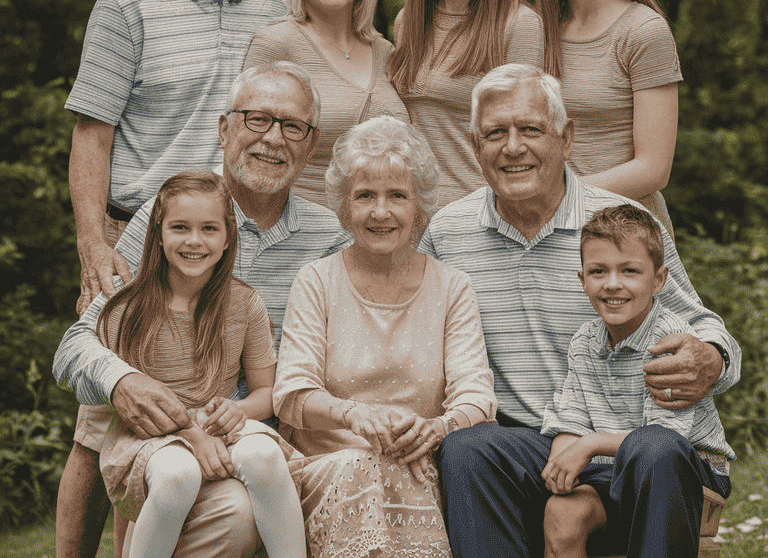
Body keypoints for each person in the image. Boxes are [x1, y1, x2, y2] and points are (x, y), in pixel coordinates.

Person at [60, 0, 286, 558]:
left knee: (195, 412)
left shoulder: (275, 8)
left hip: (226, 237)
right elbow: (92, 134)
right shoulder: (128, 1)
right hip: (138, 235)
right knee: (101, 421)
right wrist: (94, 246)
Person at [419, 63, 740, 557]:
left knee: (653, 445)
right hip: (538, 441)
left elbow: (702, 325)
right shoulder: (447, 233)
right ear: (474, 145)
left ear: (566, 138)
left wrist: (712, 356)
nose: (512, 147)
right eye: (495, 133)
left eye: (530, 129)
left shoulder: (623, 227)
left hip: (644, 445)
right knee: (468, 447)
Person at [54, 63, 352, 557]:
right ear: (223, 128)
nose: (273, 138)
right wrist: (122, 380)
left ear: (311, 143)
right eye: (256, 119)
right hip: (155, 425)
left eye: (292, 126)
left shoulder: (328, 238)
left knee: (238, 507)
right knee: (115, 421)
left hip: (252, 426)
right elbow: (80, 341)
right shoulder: (166, 212)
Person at [273, 115, 497, 557]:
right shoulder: (316, 280)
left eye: (397, 195)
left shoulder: (453, 286)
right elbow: (292, 394)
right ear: (343, 206)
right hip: (329, 469)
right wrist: (351, 414)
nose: (381, 211)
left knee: (407, 472)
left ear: (419, 207)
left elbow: (476, 394)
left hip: (420, 464)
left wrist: (438, 428)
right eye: (364, 196)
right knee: (362, 465)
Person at [95, 171, 305, 558]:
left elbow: (267, 393)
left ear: (228, 238)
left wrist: (236, 410)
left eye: (209, 228)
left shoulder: (244, 305)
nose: (194, 240)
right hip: (149, 436)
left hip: (217, 427)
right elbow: (127, 404)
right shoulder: (127, 308)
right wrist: (193, 435)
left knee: (262, 455)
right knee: (178, 473)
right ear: (158, 233)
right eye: (180, 227)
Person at [539, 204, 734, 558]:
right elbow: (571, 415)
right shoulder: (584, 341)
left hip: (686, 467)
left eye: (629, 270)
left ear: (658, 279)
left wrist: (589, 445)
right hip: (615, 468)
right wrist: (561, 466)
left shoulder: (670, 339)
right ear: (582, 280)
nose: (613, 284)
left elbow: (663, 438)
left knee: (652, 449)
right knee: (561, 512)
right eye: (598, 271)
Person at [533, 0, 681, 236]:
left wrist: (555, 198)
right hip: (552, 235)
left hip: (625, 238)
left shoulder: (643, 31)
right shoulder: (535, 31)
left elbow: (653, 168)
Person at [388, 0, 545, 209]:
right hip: (409, 224)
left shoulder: (519, 25)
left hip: (480, 223)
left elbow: (524, 153)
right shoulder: (407, 23)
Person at [245, 0, 409, 206]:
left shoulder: (386, 53)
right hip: (301, 239)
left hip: (380, 236)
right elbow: (244, 153)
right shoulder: (275, 44)